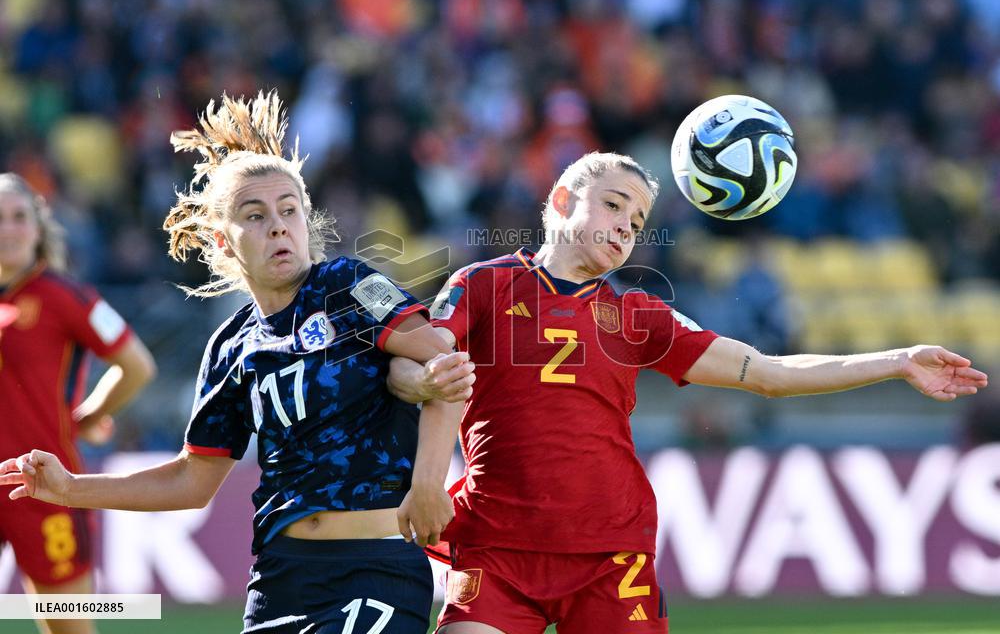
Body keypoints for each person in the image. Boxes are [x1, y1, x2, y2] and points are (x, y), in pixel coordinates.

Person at [387, 152, 989, 634]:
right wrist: (418, 423)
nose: (625, 226)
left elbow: (769, 373)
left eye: (638, 221)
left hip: (610, 554)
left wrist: (896, 360)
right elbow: (427, 357)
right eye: (614, 205)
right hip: (496, 547)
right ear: (564, 201)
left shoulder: (639, 315)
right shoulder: (485, 284)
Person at [1, 91, 473, 634]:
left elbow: (447, 367)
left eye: (289, 210)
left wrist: (431, 483)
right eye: (256, 215)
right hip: (279, 577)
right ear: (224, 243)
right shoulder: (233, 345)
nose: (278, 226)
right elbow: (191, 480)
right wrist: (69, 488)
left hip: (374, 568)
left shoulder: (345, 287)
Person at [0, 173, 157, 634]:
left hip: (43, 487)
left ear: (38, 226)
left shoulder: (66, 297)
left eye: (18, 217)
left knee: (66, 626)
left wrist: (91, 414)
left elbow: (137, 366)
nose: (8, 228)